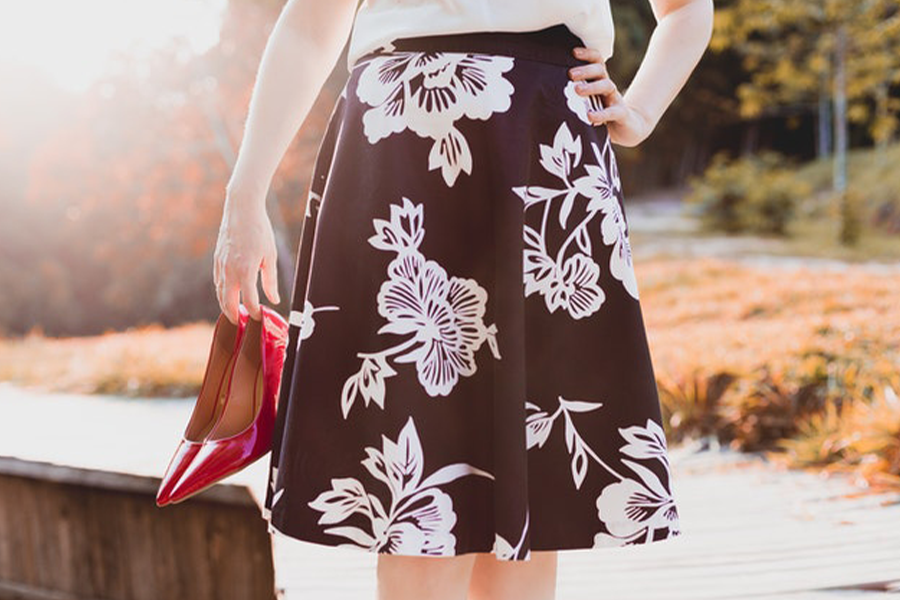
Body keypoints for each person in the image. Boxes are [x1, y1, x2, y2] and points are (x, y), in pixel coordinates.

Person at [213, 0, 713, 599]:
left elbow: (686, 9)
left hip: (543, 137)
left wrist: (641, 109)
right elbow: (308, 26)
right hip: (398, 143)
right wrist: (244, 194)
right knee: (417, 495)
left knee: (532, 494)